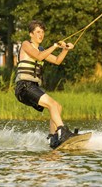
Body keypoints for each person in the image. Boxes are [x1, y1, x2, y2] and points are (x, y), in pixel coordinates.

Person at [15, 20, 77, 149]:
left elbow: (57, 60)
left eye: (42, 32)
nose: (41, 35)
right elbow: (38, 57)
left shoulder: (42, 50)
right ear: (31, 34)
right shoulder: (26, 44)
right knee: (52, 104)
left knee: (57, 107)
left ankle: (53, 138)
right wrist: (55, 45)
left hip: (33, 86)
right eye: (38, 32)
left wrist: (65, 49)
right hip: (24, 86)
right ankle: (63, 132)